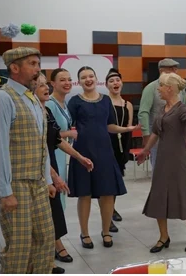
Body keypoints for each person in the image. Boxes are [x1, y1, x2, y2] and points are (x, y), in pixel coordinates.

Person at [136, 72, 186, 253]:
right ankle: (163, 237)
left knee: (182, 195)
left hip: (176, 159)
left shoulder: (182, 109)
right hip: (162, 159)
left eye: (161, 86)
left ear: (169, 88)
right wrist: (146, 150)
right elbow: (156, 133)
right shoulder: (162, 109)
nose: (158, 89)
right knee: (158, 195)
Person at [0, 48, 56, 275]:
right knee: (19, 248)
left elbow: (41, 144)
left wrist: (49, 179)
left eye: (38, 64)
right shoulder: (3, 98)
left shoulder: (33, 100)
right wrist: (5, 191)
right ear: (15, 68)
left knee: (45, 242)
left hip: (39, 183)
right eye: (32, 64)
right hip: (17, 185)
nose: (37, 69)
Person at [67, 66, 131, 249]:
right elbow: (69, 125)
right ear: (78, 82)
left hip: (105, 152)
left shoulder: (105, 101)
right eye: (83, 77)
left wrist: (126, 129)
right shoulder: (74, 102)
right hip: (83, 152)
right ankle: (85, 233)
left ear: (96, 78)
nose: (88, 79)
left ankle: (106, 231)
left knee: (107, 192)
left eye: (91, 76)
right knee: (85, 194)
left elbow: (110, 125)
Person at [38, 73, 92, 273]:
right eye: (41, 84)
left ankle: (53, 248)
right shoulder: (45, 106)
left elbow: (56, 138)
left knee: (56, 207)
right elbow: (47, 142)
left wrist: (79, 157)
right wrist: (54, 176)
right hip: (43, 163)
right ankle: (54, 249)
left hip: (54, 158)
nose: (67, 83)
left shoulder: (51, 108)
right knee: (49, 208)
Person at [45, 68, 83, 265]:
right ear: (52, 83)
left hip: (62, 154)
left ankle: (53, 242)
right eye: (62, 80)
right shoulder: (49, 103)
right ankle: (57, 244)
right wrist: (69, 134)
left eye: (69, 79)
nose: (67, 83)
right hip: (53, 155)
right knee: (54, 200)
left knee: (60, 200)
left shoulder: (64, 103)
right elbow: (53, 133)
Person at [137, 58, 186, 170]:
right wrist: (146, 135)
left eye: (176, 69)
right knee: (160, 169)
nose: (175, 72)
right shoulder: (151, 88)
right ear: (162, 71)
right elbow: (143, 112)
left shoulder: (181, 89)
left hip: (177, 136)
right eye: (171, 69)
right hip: (157, 137)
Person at [105, 70, 133, 227]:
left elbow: (128, 126)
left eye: (117, 80)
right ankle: (107, 217)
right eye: (111, 81)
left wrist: (126, 150)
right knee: (108, 182)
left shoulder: (127, 104)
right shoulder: (103, 101)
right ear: (106, 85)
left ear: (121, 83)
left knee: (116, 181)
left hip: (121, 146)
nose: (115, 83)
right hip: (107, 144)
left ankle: (112, 208)